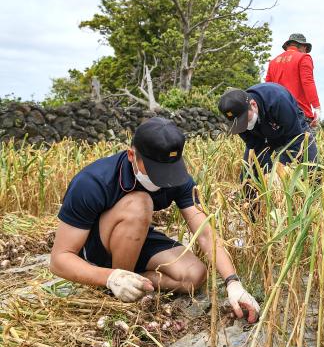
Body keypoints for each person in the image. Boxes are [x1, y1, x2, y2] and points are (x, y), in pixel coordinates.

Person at [50, 117, 259, 323]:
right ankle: (118, 286)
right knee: (141, 203)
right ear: (132, 155)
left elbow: (204, 233)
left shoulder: (179, 179)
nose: (165, 179)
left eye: (170, 171)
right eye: (157, 171)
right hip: (99, 248)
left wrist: (233, 283)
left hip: (135, 238)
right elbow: (59, 260)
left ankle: (135, 281)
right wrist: (110, 277)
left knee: (194, 275)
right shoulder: (93, 182)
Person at [218, 83, 318, 180]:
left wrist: (279, 170)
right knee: (249, 174)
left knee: (312, 168)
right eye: (240, 123)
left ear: (253, 104)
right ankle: (249, 196)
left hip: (292, 129)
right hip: (261, 135)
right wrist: (267, 174)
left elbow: (296, 139)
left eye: (245, 120)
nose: (244, 125)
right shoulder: (238, 119)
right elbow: (254, 146)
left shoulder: (278, 100)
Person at [266, 33, 321, 134]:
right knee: (307, 148)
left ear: (288, 46)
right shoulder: (304, 57)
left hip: (277, 116)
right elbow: (308, 82)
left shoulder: (273, 62)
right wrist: (317, 108)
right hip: (299, 113)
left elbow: (267, 90)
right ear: (303, 46)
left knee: (283, 148)